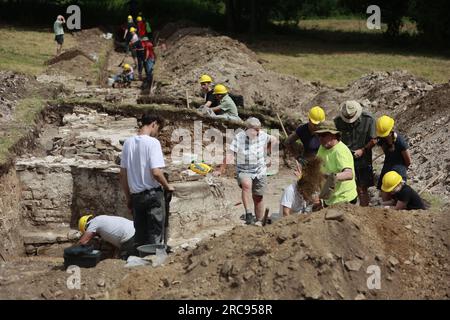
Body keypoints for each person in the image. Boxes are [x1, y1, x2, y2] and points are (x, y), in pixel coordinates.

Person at [120, 114, 174, 247]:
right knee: (155, 234)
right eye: (158, 129)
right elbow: (156, 172)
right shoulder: (152, 143)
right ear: (154, 124)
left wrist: (128, 198)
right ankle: (153, 262)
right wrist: (167, 186)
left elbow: (122, 174)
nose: (157, 133)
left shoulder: (128, 143)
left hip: (136, 196)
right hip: (152, 195)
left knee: (140, 235)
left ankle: (140, 261)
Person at [216, 117, 278, 225]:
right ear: (248, 129)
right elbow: (230, 153)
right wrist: (221, 170)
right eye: (256, 130)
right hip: (244, 169)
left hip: (259, 169)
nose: (258, 132)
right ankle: (248, 213)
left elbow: (274, 140)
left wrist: (268, 153)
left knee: (258, 197)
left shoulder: (263, 135)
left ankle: (259, 220)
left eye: (259, 129)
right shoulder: (239, 138)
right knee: (246, 185)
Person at [334, 101, 377, 207]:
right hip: (344, 160)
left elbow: (374, 140)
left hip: (363, 159)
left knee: (362, 188)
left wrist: (363, 150)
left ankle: (363, 212)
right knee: (344, 186)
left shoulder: (369, 120)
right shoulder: (337, 122)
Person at [315, 121, 358, 207]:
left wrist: (332, 177)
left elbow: (349, 174)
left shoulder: (340, 151)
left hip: (344, 199)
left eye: (323, 135)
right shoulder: (323, 147)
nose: (320, 139)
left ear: (333, 135)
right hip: (329, 198)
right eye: (318, 135)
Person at [375, 115, 411, 202]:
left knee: (398, 195)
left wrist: (402, 169)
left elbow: (408, 160)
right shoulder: (381, 140)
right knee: (385, 193)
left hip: (398, 169)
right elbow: (388, 154)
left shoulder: (400, 141)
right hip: (388, 167)